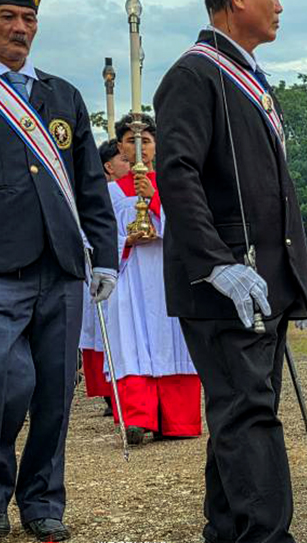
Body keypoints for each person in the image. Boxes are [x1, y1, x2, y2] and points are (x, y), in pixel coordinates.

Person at [154, 0, 307, 543]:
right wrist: (216, 263)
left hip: (262, 278)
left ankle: (226, 533)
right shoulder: (193, 75)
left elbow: (271, 190)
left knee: (242, 412)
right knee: (249, 414)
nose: (280, 5)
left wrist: (297, 275)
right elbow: (177, 175)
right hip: (225, 281)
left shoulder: (250, 77)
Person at [0, 0, 118, 542]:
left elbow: (90, 184)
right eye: (7, 17)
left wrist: (105, 257)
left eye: (29, 18)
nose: (21, 28)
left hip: (62, 268)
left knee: (55, 392)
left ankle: (42, 501)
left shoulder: (61, 96)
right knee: (1, 380)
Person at [100, 114, 201, 445]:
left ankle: (178, 420)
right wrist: (125, 241)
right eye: (131, 141)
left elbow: (192, 223)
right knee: (131, 342)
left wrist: (155, 199)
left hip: (166, 271)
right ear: (120, 148)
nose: (139, 147)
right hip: (130, 274)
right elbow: (94, 234)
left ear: (158, 146)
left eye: (146, 141)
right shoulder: (109, 192)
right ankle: (137, 418)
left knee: (172, 340)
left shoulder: (176, 184)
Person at [79, 141, 133, 417]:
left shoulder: (140, 189)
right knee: (105, 331)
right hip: (107, 268)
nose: (130, 165)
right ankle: (110, 394)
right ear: (108, 166)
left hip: (132, 268)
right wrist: (125, 242)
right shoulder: (103, 192)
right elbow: (90, 230)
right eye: (124, 160)